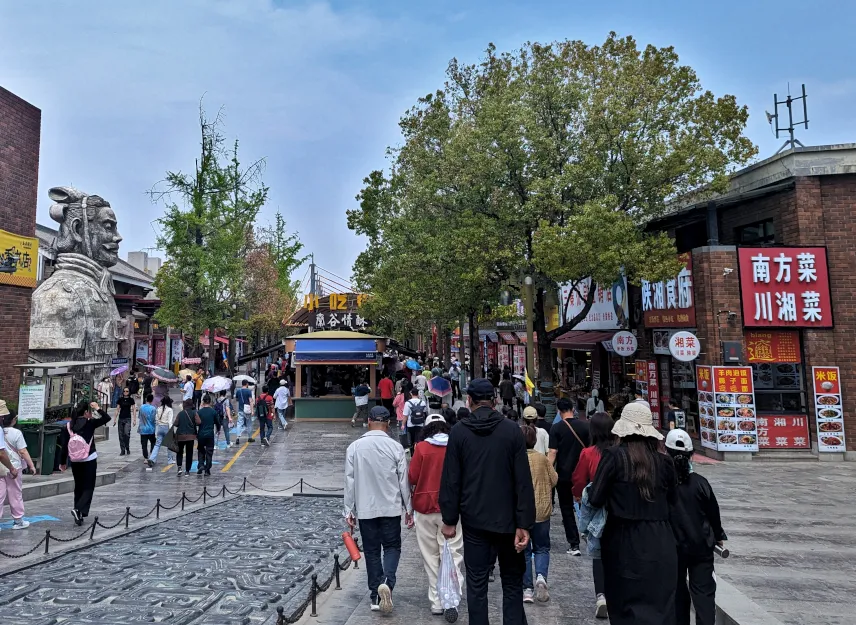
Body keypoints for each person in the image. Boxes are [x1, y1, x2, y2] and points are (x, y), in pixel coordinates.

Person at [439, 378, 536, 625]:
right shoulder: (512, 430)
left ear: (469, 400)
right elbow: (523, 480)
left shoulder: (459, 432)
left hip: (474, 521)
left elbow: (451, 480)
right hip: (509, 522)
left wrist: (449, 520)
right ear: (494, 401)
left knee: (477, 585)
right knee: (513, 584)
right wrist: (524, 522)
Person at [588, 402, 677, 625]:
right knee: (660, 604)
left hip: (622, 539)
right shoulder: (665, 462)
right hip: (661, 539)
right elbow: (674, 501)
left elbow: (595, 497)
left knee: (623, 603)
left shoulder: (613, 457)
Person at [344, 405, 413, 614]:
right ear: (388, 423)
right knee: (392, 548)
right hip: (390, 508)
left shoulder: (354, 447)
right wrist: (408, 508)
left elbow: (349, 481)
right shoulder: (395, 447)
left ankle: (375, 596)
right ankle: (387, 583)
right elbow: (404, 482)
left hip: (365, 508)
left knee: (372, 551)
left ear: (369, 422)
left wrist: (349, 511)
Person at [665, 429, 726, 625]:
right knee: (704, 594)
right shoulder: (701, 483)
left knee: (677, 593)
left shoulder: (663, 485)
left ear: (666, 453)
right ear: (692, 455)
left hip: (673, 548)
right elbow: (713, 516)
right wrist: (718, 536)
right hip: (702, 547)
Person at [408, 414, 464, 621]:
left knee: (430, 557)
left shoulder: (422, 448)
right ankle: (453, 599)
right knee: (453, 554)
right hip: (451, 509)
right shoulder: (456, 446)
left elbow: (412, 477)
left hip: (425, 507)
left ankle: (436, 601)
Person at [572, 411, 615, 618]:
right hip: (618, 508)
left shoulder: (588, 453)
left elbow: (579, 480)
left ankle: (601, 595)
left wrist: (579, 497)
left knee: (597, 554)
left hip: (597, 509)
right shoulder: (619, 451)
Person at [520, 423, 558, 604]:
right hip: (542, 510)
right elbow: (554, 479)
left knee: (525, 551)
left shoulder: (515, 458)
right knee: (542, 547)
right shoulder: (542, 459)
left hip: (522, 512)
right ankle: (541, 577)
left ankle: (527, 589)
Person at [548, 396, 589, 556]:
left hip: (564, 475)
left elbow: (553, 452)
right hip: (583, 474)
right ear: (573, 409)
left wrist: (547, 470)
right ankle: (589, 535)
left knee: (566, 509)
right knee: (587, 505)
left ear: (559, 410)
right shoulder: (585, 427)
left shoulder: (556, 428)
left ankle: (574, 544)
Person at [59, 400, 111, 525]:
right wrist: (98, 408)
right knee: (88, 486)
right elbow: (107, 418)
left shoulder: (68, 426)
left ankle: (79, 515)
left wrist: (62, 462)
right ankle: (78, 509)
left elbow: (64, 445)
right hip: (89, 458)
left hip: (75, 460)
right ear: (86, 412)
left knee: (79, 486)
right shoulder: (90, 423)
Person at [1, 403, 36, 530]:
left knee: (0, 495)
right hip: (14, 467)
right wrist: (31, 465)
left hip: (0, 467)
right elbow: (23, 451)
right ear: (14, 419)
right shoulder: (16, 433)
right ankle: (18, 520)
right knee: (15, 493)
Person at [195, 394, 221, 476]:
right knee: (209, 451)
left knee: (201, 450)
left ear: (203, 401)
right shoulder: (213, 411)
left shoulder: (199, 412)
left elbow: (196, 423)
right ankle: (207, 469)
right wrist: (218, 429)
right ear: (210, 401)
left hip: (201, 434)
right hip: (210, 434)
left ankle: (201, 464)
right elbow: (217, 422)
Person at [148, 396, 175, 468]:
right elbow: (170, 422)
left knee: (157, 445)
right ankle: (170, 460)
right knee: (169, 445)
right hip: (166, 427)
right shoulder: (169, 410)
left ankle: (152, 458)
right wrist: (171, 431)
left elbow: (156, 420)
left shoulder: (158, 409)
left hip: (160, 427)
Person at [173, 399, 198, 476]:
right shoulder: (194, 413)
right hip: (190, 437)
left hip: (180, 436)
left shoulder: (180, 413)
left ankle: (179, 468)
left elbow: (175, 423)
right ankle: (187, 470)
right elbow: (199, 422)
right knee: (189, 453)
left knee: (179, 452)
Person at [402, 388, 428, 456]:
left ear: (411, 393)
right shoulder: (422, 402)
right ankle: (419, 454)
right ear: (418, 393)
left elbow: (405, 415)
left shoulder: (408, 403)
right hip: (420, 424)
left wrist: (403, 424)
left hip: (411, 425)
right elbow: (424, 412)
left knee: (411, 440)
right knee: (419, 440)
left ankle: (413, 454)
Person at [114, 386, 136, 456]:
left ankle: (127, 447)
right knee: (121, 435)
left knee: (126, 433)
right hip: (121, 418)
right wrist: (114, 419)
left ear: (129, 392)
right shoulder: (120, 399)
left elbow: (134, 409)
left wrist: (134, 419)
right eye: (124, 391)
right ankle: (122, 450)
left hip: (128, 418)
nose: (125, 392)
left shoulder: (131, 400)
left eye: (127, 391)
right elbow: (117, 409)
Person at [138, 393, 157, 467]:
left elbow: (139, 416)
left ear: (146, 399)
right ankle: (152, 454)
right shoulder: (153, 408)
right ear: (152, 400)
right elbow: (153, 419)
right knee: (153, 442)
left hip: (142, 429)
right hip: (151, 428)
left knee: (144, 444)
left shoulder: (141, 407)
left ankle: (145, 457)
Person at [234, 380, 254, 445]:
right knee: (249, 423)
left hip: (240, 409)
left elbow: (236, 400)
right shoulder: (248, 391)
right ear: (247, 384)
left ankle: (237, 437)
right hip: (247, 410)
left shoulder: (238, 391)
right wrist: (252, 410)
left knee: (239, 423)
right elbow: (250, 401)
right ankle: (250, 437)